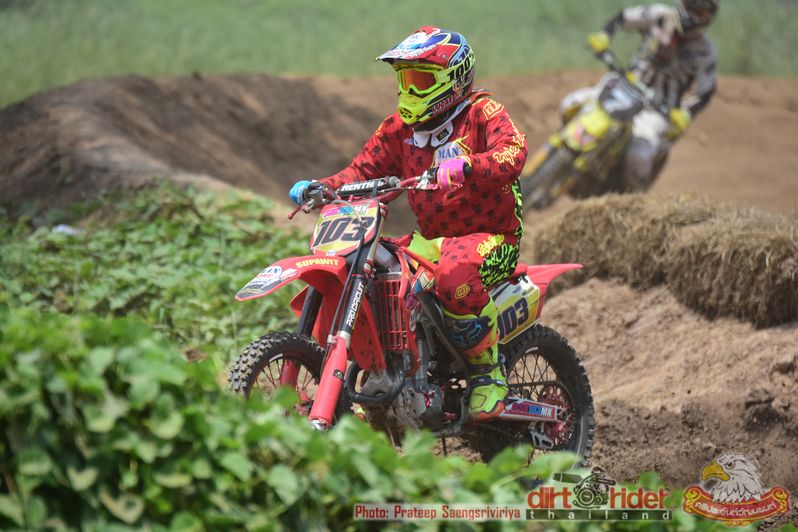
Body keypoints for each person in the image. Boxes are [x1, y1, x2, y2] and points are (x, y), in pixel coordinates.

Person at [288, 26, 528, 421]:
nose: (410, 90)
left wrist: (468, 165)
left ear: (453, 79)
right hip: (431, 240)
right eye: (405, 79)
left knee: (454, 274)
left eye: (421, 80)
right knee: (378, 270)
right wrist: (323, 188)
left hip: (491, 237)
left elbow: (513, 152)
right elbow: (361, 172)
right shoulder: (399, 129)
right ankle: (389, 370)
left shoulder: (482, 113)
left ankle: (488, 374)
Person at [560, 0, 718, 190]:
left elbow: (706, 90)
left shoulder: (705, 52)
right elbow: (624, 17)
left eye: (699, 13)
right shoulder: (660, 16)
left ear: (709, 16)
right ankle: (564, 156)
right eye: (690, 7)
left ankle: (631, 199)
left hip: (656, 110)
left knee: (638, 158)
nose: (692, 15)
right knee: (569, 105)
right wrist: (605, 35)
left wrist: (686, 113)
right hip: (623, 85)